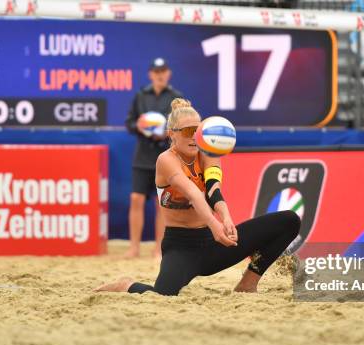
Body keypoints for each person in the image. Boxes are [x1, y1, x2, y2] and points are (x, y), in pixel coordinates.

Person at [96, 98, 301, 296]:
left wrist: (226, 218)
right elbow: (193, 194)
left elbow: (213, 190)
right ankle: (126, 284)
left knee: (289, 221)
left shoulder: (208, 154)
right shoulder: (166, 160)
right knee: (163, 294)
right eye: (188, 131)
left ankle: (248, 283)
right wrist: (215, 224)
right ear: (172, 134)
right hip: (180, 247)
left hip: (212, 243)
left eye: (198, 130)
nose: (194, 136)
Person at [124, 57, 183, 259]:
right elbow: (129, 123)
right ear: (151, 74)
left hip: (166, 156)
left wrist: (167, 133)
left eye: (163, 71)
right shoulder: (141, 96)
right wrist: (140, 126)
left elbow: (183, 126)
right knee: (136, 199)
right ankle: (133, 248)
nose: (160, 74)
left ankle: (159, 249)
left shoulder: (176, 98)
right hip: (143, 155)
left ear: (168, 73)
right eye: (156, 71)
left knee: (162, 204)